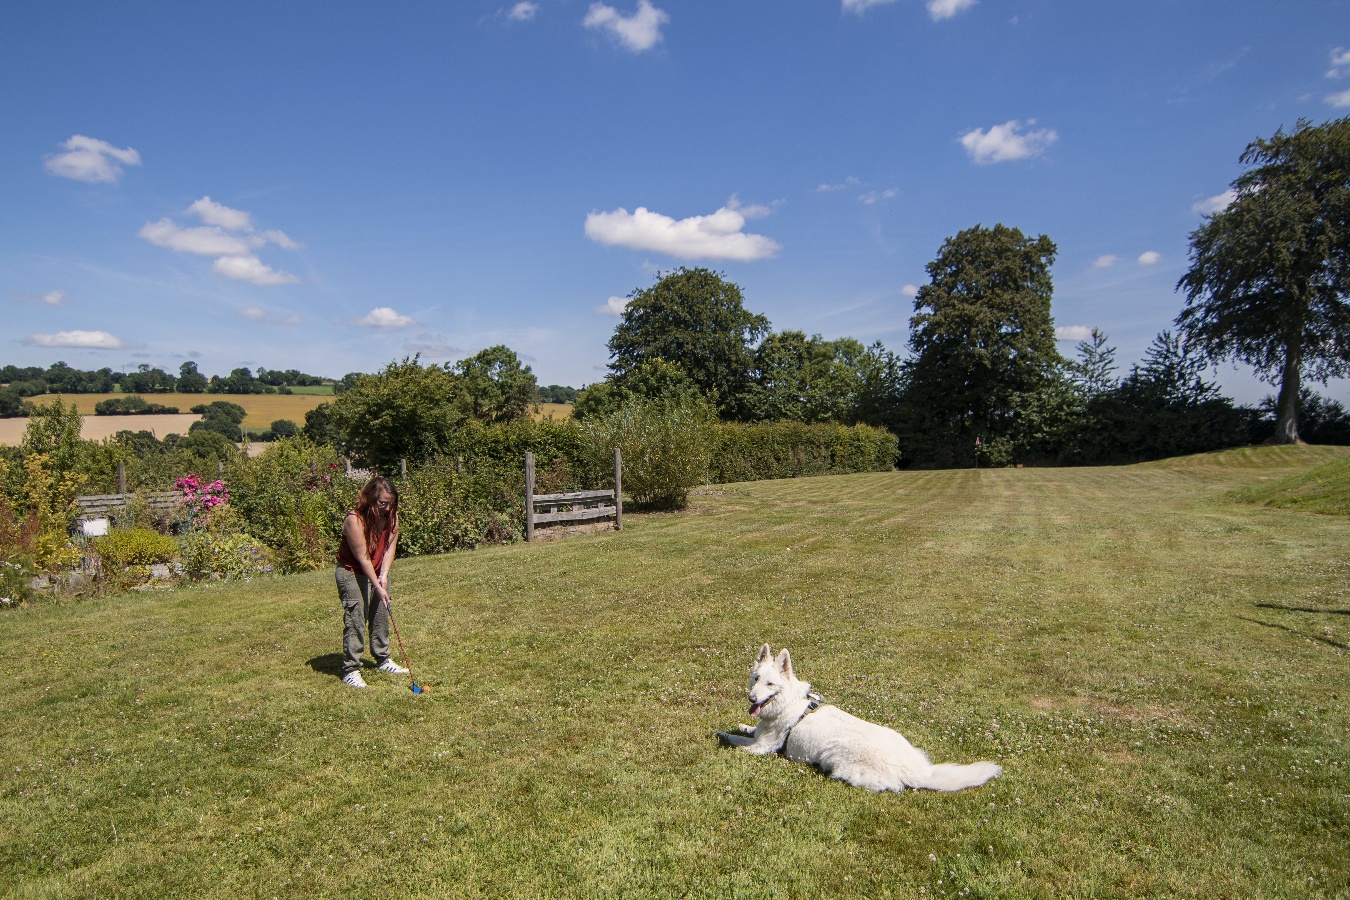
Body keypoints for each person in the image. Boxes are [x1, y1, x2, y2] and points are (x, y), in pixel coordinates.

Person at [336, 475, 406, 688]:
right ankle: (351, 669)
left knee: (380, 613)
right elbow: (363, 557)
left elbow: (389, 547)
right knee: (357, 616)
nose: (386, 508)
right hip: (352, 571)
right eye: (382, 503)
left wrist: (383, 576)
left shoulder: (392, 517)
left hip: (377, 570)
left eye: (390, 503)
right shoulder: (354, 520)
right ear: (369, 498)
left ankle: (383, 658)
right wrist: (376, 584)